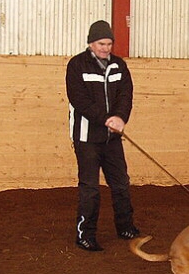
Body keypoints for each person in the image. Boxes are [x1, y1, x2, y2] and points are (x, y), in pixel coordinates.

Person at [66, 20, 140, 252]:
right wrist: (106, 118)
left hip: (112, 136)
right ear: (91, 43)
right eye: (101, 43)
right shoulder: (77, 65)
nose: (105, 48)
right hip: (87, 137)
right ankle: (85, 234)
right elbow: (79, 100)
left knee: (120, 183)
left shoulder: (119, 66)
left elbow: (125, 95)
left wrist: (120, 117)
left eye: (109, 43)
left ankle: (125, 227)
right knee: (90, 187)